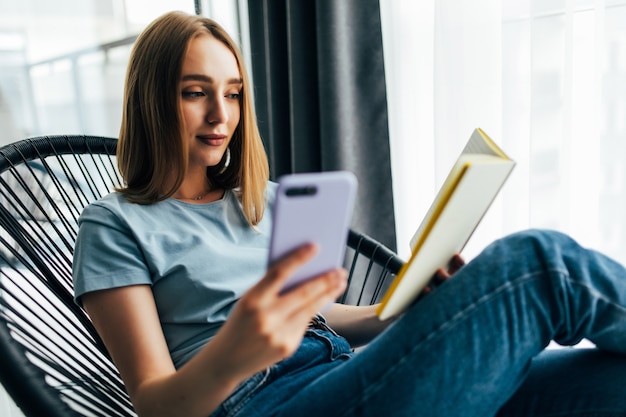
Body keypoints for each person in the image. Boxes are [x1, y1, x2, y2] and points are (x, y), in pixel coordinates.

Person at [72, 11, 626, 417]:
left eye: (235, 94)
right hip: (263, 403)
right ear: (151, 99)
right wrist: (235, 351)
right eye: (196, 93)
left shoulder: (256, 201)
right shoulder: (115, 224)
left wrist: (394, 308)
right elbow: (152, 403)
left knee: (608, 382)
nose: (221, 114)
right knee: (537, 265)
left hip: (342, 376)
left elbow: (309, 316)